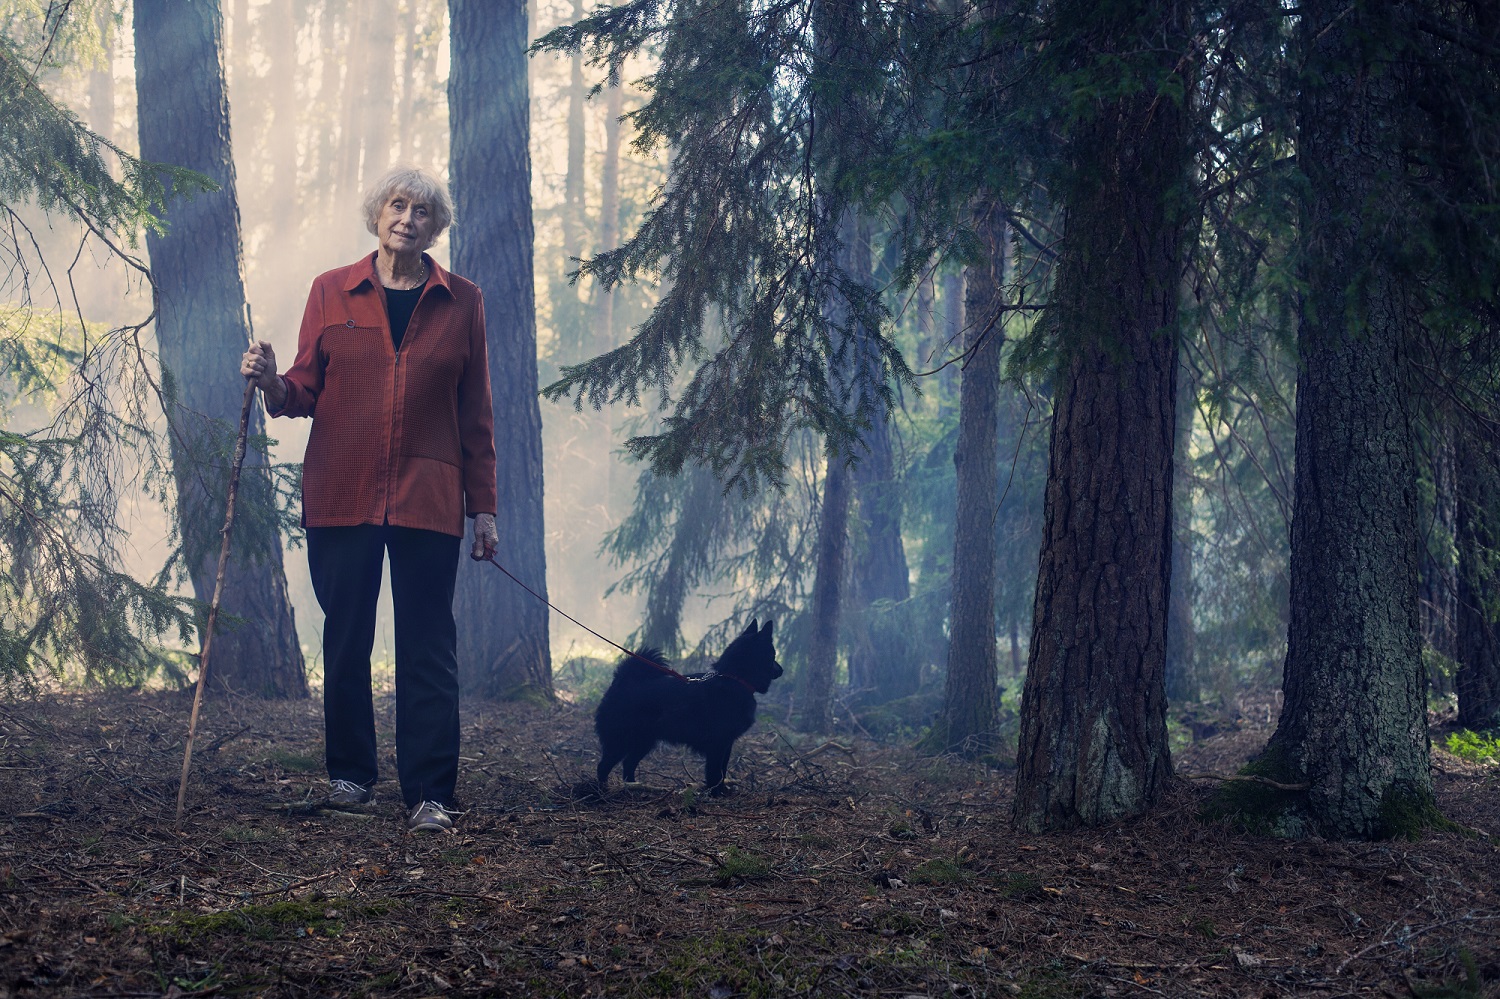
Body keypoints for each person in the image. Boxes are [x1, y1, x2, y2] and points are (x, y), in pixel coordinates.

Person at [241, 165, 499, 834]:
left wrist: (485, 507)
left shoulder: (463, 300)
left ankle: (430, 792)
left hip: (428, 497)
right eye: (398, 204)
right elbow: (303, 389)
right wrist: (271, 380)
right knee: (347, 638)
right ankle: (352, 777)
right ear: (378, 213)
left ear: (434, 228)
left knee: (427, 648)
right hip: (343, 492)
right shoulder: (330, 290)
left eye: (422, 212)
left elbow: (477, 414)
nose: (408, 218)